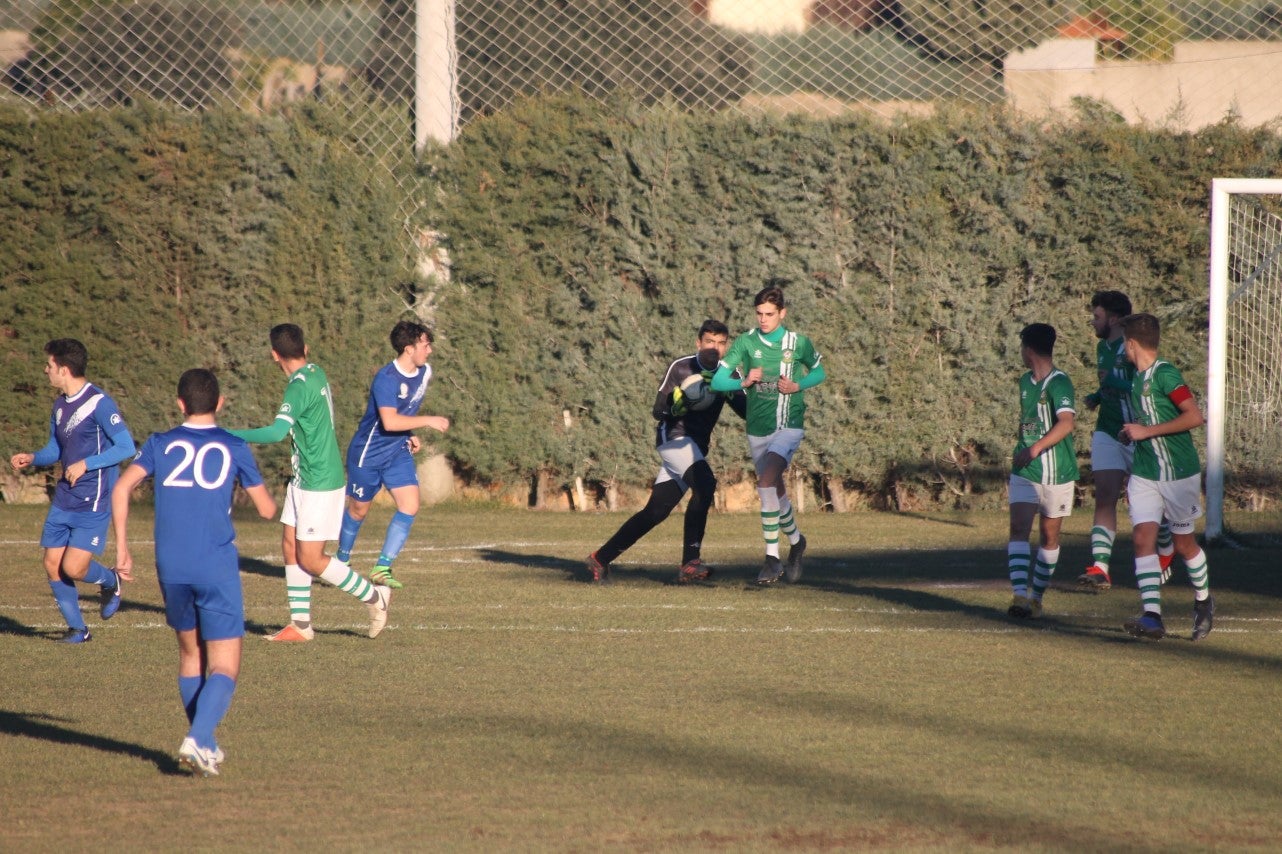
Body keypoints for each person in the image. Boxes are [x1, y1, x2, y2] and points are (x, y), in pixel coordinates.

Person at [112, 369, 277, 776]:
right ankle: (197, 737)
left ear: (180, 404)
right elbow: (267, 510)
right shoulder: (234, 445)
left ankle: (204, 741)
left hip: (171, 565)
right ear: (220, 404)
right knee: (225, 664)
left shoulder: (159, 443)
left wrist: (121, 548)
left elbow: (121, 488)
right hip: (215, 565)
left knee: (190, 653)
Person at [228, 324, 390, 642]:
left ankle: (376, 597)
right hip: (303, 479)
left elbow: (275, 432)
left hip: (319, 481)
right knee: (290, 546)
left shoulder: (298, 386)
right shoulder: (315, 371)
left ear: (275, 355)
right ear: (306, 348)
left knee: (311, 559)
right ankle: (301, 625)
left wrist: (229, 434)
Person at [586, 320, 746, 585]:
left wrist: (746, 392)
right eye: (709, 342)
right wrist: (678, 405)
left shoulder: (730, 374)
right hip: (673, 438)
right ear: (698, 343)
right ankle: (690, 563)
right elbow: (658, 410)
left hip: (694, 447)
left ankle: (599, 558)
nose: (714, 347)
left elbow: (745, 411)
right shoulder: (681, 366)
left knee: (656, 511)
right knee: (705, 485)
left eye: (720, 343)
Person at [9, 338, 136, 643]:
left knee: (74, 567)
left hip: (92, 500)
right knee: (52, 564)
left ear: (64, 369)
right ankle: (79, 630)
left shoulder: (99, 403)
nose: (45, 370)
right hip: (65, 497)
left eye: (49, 365)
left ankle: (111, 580)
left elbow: (126, 447)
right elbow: (56, 448)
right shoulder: (59, 406)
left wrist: (87, 464)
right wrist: (34, 457)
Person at [710, 287, 826, 585]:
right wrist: (745, 380)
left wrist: (798, 386)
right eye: (759, 313)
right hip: (757, 428)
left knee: (765, 482)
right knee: (774, 489)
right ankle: (797, 542)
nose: (763, 319)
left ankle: (772, 559)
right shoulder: (746, 343)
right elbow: (719, 381)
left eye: (769, 314)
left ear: (782, 313)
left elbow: (819, 372)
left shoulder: (797, 343)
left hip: (789, 424)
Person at [1117, 313, 1214, 640]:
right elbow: (1146, 424)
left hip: (1177, 473)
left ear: (1131, 344)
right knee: (1142, 538)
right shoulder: (1135, 378)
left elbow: (1194, 417)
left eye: (1123, 344)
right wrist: (1132, 434)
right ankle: (1152, 617)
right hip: (1145, 472)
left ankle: (1203, 600)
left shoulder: (1166, 374)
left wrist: (1146, 431)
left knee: (1183, 544)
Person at [335, 320, 450, 589]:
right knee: (358, 510)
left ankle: (382, 567)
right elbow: (388, 421)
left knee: (410, 504)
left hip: (396, 451)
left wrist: (409, 433)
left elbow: (404, 411)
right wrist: (427, 421)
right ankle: (341, 560)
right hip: (368, 453)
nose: (429, 350)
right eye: (425, 345)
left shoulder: (424, 372)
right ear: (409, 349)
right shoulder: (386, 379)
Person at [1078, 291, 1174, 590]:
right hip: (1108, 430)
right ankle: (1100, 568)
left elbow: (1143, 384)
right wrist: (1097, 396)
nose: (1093, 321)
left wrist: (1113, 382)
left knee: (1149, 502)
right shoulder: (1102, 348)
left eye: (1097, 316)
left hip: (1139, 432)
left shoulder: (1133, 346)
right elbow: (1109, 385)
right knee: (1105, 495)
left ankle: (1166, 547)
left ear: (1114, 319)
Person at [1005, 324, 1079, 620]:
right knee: (1018, 529)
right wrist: (1027, 450)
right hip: (1025, 469)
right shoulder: (1025, 381)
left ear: (1029, 349)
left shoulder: (1060, 383)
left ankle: (1037, 597)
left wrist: (1035, 448)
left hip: (1058, 472)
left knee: (1049, 537)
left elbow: (1066, 423)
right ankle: (1019, 596)